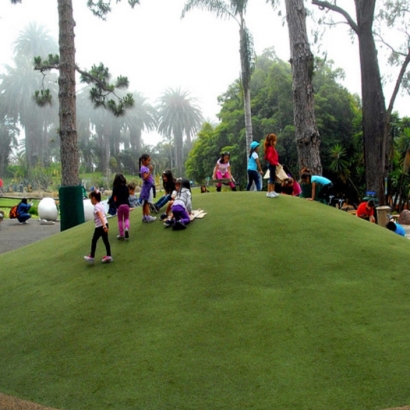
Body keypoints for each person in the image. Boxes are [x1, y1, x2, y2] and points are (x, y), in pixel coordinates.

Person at [84, 190, 112, 264]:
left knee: (94, 240)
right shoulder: (101, 205)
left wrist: (104, 226)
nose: (91, 201)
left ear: (93, 198)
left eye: (90, 199)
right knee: (105, 240)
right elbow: (103, 215)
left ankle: (92, 257)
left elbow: (100, 216)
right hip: (105, 224)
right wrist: (105, 225)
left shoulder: (96, 207)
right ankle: (109, 255)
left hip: (100, 227)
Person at [139, 153, 157, 223]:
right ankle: (148, 217)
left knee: (145, 202)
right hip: (146, 186)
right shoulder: (143, 168)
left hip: (148, 186)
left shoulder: (144, 167)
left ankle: (144, 217)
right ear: (143, 160)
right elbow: (146, 177)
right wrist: (150, 171)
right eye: (148, 160)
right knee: (146, 202)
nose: (149, 162)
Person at [112, 173, 130, 240]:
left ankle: (121, 234)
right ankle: (126, 228)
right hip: (126, 205)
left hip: (119, 206)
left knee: (120, 220)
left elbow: (113, 197)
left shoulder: (115, 188)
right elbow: (128, 196)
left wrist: (114, 203)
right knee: (126, 218)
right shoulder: (126, 187)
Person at [264, 133, 280, 198]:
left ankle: (272, 191)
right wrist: (275, 163)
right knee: (271, 178)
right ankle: (269, 192)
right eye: (275, 141)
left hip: (273, 164)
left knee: (273, 178)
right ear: (272, 141)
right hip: (272, 164)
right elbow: (269, 158)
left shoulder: (271, 148)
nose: (275, 142)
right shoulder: (270, 148)